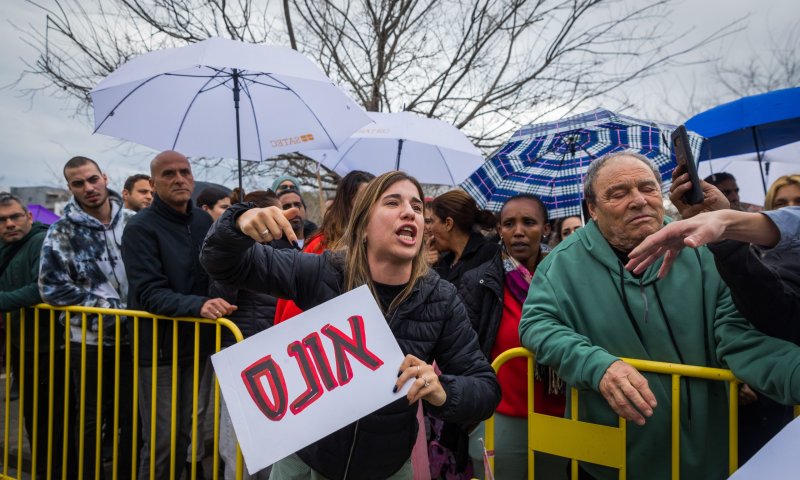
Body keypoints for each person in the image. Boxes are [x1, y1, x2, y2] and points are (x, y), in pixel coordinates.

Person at [201, 171, 501, 479]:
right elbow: (221, 262)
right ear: (363, 227)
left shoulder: (441, 299)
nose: (409, 211)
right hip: (307, 462)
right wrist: (238, 221)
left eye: (416, 206)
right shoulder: (324, 271)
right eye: (393, 202)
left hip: (388, 467)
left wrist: (443, 391)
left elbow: (485, 388)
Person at [519, 151, 800, 480]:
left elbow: (741, 339)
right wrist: (596, 365)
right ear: (592, 209)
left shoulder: (702, 248)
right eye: (619, 193)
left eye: (647, 188)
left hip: (707, 456)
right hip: (608, 463)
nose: (638, 200)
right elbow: (537, 325)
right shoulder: (562, 263)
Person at [121, 150, 237, 480]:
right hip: (159, 350)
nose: (179, 179)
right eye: (169, 174)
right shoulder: (140, 228)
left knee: (188, 435)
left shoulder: (203, 221)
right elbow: (148, 292)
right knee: (161, 440)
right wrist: (198, 306)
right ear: (153, 183)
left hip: (197, 344)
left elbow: (216, 271)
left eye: (184, 171)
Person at [38, 156, 137, 479]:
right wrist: (109, 311)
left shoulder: (134, 222)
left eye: (93, 179)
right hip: (89, 342)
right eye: (79, 183)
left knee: (132, 416)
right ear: (69, 187)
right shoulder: (61, 231)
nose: (89, 187)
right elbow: (51, 287)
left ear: (104, 177)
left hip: (137, 337)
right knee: (92, 418)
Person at [458, 194, 566, 479]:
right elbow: (462, 352)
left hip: (559, 417)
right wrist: (473, 418)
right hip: (499, 418)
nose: (518, 231)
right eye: (509, 224)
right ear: (499, 230)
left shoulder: (568, 279)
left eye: (528, 222)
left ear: (545, 228)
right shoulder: (478, 282)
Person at [0, 192, 75, 479]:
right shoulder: (6, 246)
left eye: (15, 216)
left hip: (52, 345)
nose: (9, 224)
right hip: (23, 342)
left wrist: (3, 300)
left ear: (29, 217)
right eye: (2, 219)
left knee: (55, 421)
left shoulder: (42, 242)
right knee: (33, 417)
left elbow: (41, 289)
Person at [211, 189, 281, 480]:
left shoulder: (283, 250)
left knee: (269, 443)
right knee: (236, 445)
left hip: (274, 355)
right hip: (241, 354)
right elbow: (222, 295)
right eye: (277, 211)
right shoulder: (234, 253)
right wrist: (238, 246)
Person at [273, 170, 375, 324]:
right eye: (364, 198)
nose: (370, 205)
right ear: (347, 203)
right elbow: (294, 312)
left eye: (375, 198)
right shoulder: (320, 245)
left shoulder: (378, 245)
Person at [430, 190, 499, 288]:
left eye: (432, 221)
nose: (429, 228)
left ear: (448, 224)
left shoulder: (490, 254)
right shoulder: (445, 260)